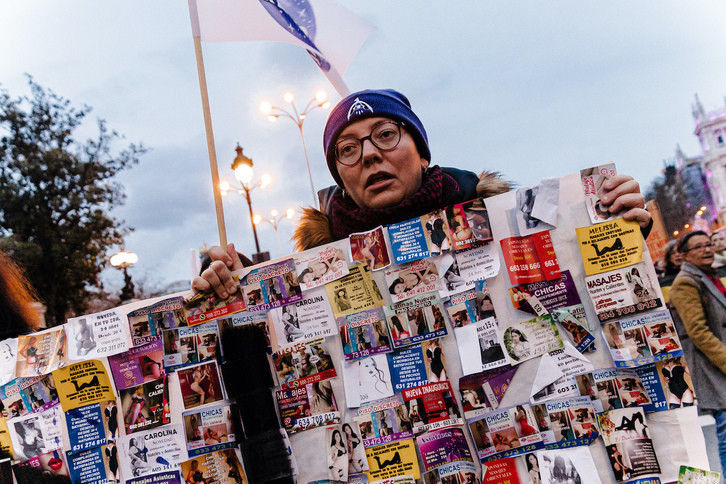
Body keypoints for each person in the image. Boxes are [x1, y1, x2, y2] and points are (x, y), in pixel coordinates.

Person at [192, 89, 650, 298]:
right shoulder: (320, 256)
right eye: (347, 150)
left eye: (386, 135)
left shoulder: (494, 210)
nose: (369, 155)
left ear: (423, 153)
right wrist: (234, 283)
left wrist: (621, 225)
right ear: (340, 177)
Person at [670, 229, 726, 472]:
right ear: (684, 255)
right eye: (699, 247)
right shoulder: (685, 282)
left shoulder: (707, 276)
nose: (707, 249)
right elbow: (698, 332)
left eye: (709, 244)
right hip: (711, 367)